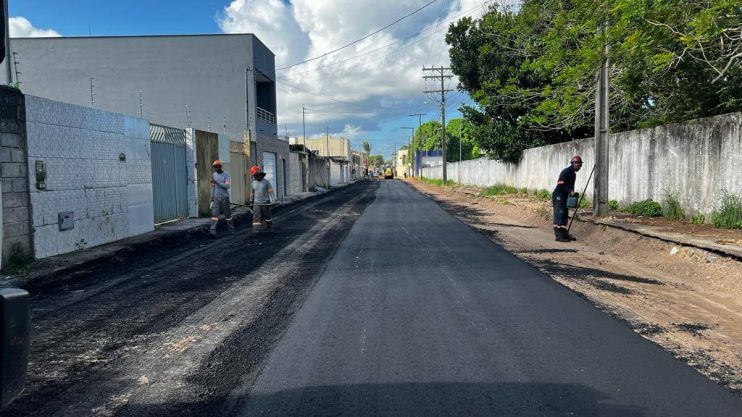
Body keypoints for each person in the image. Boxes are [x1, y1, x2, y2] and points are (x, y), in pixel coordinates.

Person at [552, 155, 583, 242]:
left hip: (565, 196)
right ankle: (558, 236)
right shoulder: (565, 172)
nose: (579, 167)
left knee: (565, 215)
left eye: (580, 165)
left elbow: (571, 186)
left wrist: (572, 194)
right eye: (578, 165)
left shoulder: (573, 174)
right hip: (559, 195)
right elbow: (560, 183)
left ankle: (564, 234)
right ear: (573, 163)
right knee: (559, 214)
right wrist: (569, 190)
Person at [210, 160, 234, 236]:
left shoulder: (226, 175)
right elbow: (214, 187)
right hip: (216, 198)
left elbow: (227, 186)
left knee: (227, 215)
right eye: (215, 167)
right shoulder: (214, 175)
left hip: (224, 197)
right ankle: (212, 231)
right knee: (214, 215)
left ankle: (231, 230)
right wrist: (212, 196)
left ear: (220, 167)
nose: (216, 168)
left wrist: (217, 182)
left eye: (217, 167)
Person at [250, 165, 275, 229]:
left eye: (256, 175)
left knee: (268, 217)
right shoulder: (253, 183)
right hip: (256, 204)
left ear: (260, 174)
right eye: (254, 176)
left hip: (265, 203)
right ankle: (256, 231)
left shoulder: (266, 182)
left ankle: (270, 229)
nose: (255, 177)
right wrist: (251, 202)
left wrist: (273, 200)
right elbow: (252, 193)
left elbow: (271, 191)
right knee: (256, 219)